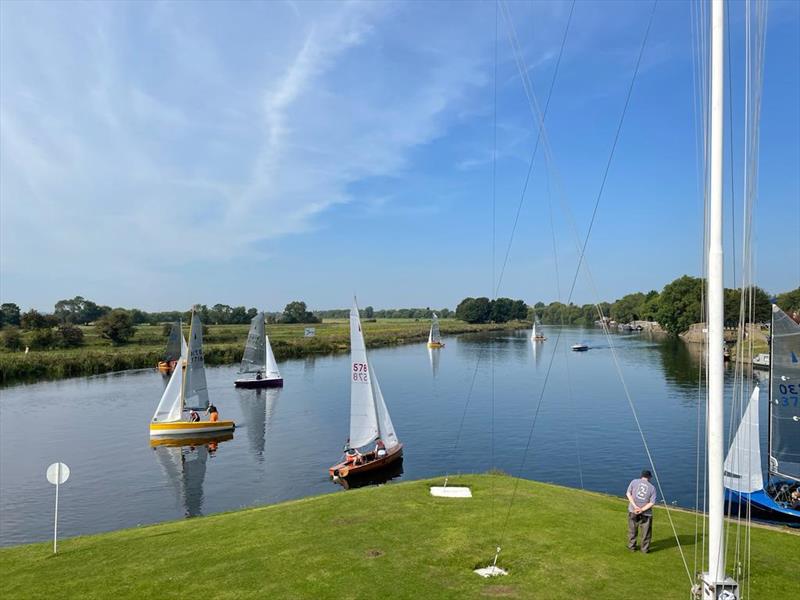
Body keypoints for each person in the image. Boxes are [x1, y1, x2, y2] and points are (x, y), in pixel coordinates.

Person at [626, 469, 657, 553]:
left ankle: (631, 547)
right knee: (646, 532)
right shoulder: (652, 488)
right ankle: (644, 549)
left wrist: (635, 507)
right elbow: (652, 503)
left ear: (641, 475)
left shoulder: (634, 481)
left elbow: (628, 494)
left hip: (633, 511)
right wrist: (642, 510)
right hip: (646, 513)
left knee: (632, 530)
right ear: (650, 477)